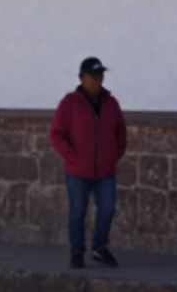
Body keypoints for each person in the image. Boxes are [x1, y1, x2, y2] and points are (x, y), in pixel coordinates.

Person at [50, 56, 127, 269]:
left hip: (105, 171)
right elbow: (57, 134)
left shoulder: (111, 103)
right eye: (93, 76)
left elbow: (121, 132)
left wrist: (113, 154)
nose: (97, 79)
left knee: (108, 208)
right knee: (77, 213)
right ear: (82, 77)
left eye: (100, 75)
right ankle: (77, 253)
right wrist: (71, 155)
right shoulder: (69, 104)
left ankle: (99, 248)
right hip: (77, 171)